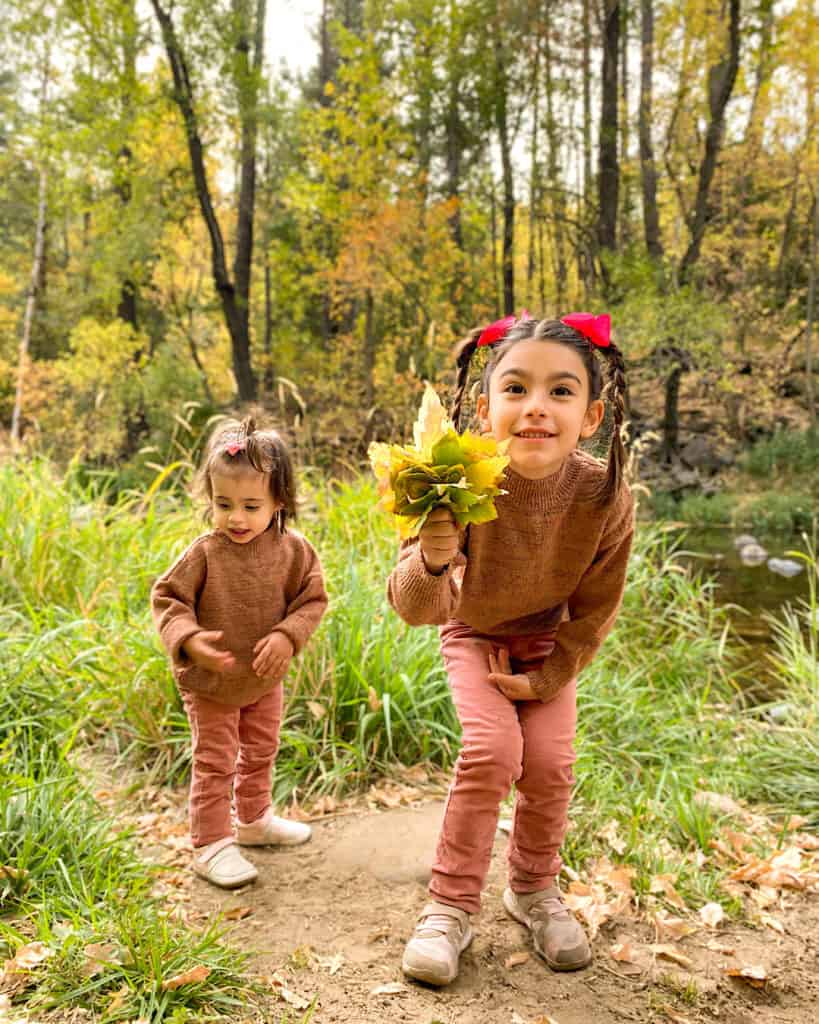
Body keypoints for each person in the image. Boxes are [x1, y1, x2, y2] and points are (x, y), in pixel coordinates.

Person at [387, 313, 634, 985]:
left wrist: (552, 675)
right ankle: (449, 906)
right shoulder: (456, 483)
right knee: (492, 752)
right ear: (483, 407)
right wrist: (434, 561)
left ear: (590, 414)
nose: (535, 407)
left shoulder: (602, 493)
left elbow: (596, 605)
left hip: (549, 639)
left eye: (560, 391)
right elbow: (415, 609)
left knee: (550, 763)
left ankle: (531, 890)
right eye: (516, 388)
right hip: (473, 631)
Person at [152, 416, 328, 889]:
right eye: (223, 503)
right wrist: (188, 638)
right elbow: (167, 599)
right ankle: (210, 843)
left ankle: (252, 820)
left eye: (251, 505)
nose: (236, 517)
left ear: (279, 501)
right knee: (216, 759)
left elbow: (312, 600)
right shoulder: (205, 553)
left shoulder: (294, 551)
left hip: (262, 678)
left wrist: (288, 636)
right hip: (212, 683)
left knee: (261, 749)